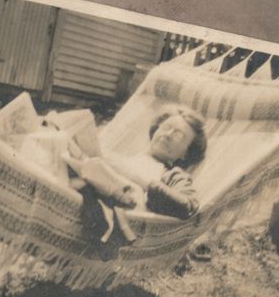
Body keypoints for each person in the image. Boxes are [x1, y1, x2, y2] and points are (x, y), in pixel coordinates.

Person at [63, 104, 207, 255]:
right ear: (156, 130)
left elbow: (187, 206)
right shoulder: (122, 158)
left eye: (179, 135)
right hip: (84, 187)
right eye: (166, 127)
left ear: (186, 153)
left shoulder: (172, 175)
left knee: (90, 164)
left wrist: (140, 181)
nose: (168, 134)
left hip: (121, 210)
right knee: (63, 133)